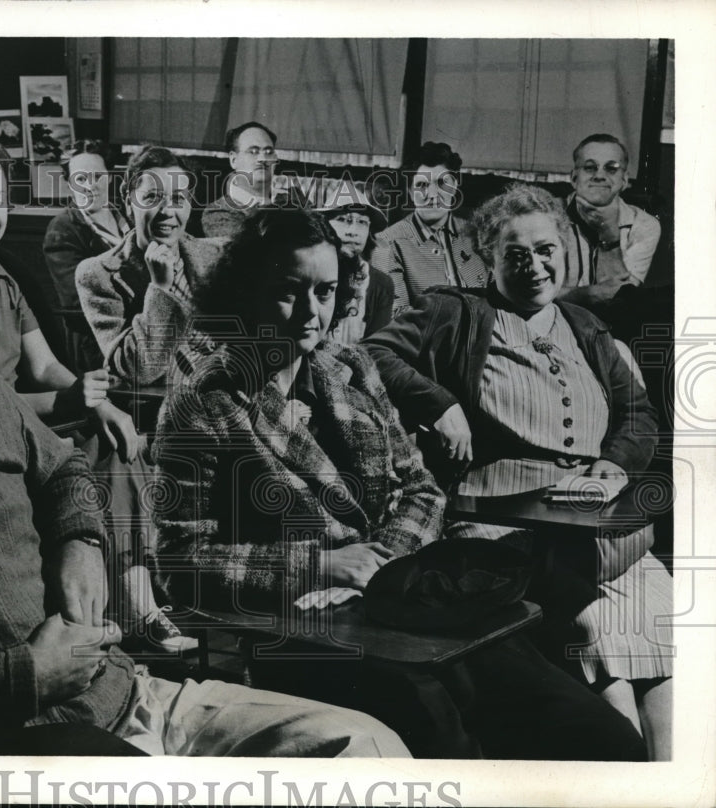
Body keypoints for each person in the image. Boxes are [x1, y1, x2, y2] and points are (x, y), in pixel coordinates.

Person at [0, 198, 409, 757]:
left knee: (366, 746)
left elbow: (67, 473)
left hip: (137, 696)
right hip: (19, 744)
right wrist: (25, 676)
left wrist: (82, 541)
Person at [152, 207, 649, 761]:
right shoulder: (205, 396)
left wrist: (383, 562)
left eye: (326, 291)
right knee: (455, 752)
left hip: (412, 603)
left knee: (600, 737)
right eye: (288, 291)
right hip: (310, 631)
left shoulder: (349, 366)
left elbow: (421, 487)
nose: (310, 313)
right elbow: (177, 561)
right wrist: (319, 564)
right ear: (246, 290)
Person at [363, 184, 672, 760]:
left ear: (564, 251)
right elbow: (370, 354)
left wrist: (611, 464)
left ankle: (671, 782)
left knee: (670, 623)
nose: (535, 265)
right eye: (516, 254)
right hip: (505, 529)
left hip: (603, 527)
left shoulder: (586, 326)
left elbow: (638, 413)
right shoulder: (454, 311)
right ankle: (618, 773)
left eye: (546, 249)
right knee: (598, 630)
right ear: (488, 257)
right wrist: (439, 403)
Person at [0, 138, 192, 654]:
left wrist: (103, 403)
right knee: (98, 442)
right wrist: (70, 405)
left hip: (21, 418)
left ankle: (131, 600)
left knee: (113, 432)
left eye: (0, 199)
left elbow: (43, 366)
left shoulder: (0, 276)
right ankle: (129, 604)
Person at [76, 145, 224, 386]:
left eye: (178, 199)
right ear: (128, 201)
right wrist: (160, 288)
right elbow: (139, 370)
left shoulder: (215, 255)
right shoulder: (98, 274)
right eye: (152, 198)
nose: (167, 211)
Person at [42, 139, 131, 374]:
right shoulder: (62, 229)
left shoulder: (128, 217)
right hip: (95, 345)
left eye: (97, 176)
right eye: (81, 179)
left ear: (110, 177)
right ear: (69, 184)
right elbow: (77, 299)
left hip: (139, 332)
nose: (90, 186)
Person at [372, 142, 488, 315]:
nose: (432, 194)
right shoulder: (387, 243)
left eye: (442, 183)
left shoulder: (477, 235)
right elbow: (397, 316)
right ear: (410, 192)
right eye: (422, 185)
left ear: (454, 186)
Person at [561, 133, 661, 309]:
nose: (599, 176)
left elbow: (617, 299)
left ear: (624, 180)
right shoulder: (544, 215)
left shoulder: (645, 224)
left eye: (611, 168)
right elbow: (526, 291)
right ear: (574, 178)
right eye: (590, 167)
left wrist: (609, 234)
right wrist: (583, 295)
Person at [201, 121, 303, 239]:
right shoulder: (218, 213)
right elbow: (251, 253)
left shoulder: (294, 196)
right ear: (234, 160)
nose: (262, 159)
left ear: (275, 159)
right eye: (253, 152)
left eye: (269, 152)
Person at [319, 182, 394, 343]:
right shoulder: (312, 273)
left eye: (362, 222)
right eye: (343, 219)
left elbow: (378, 348)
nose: (352, 231)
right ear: (325, 225)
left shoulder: (380, 284)